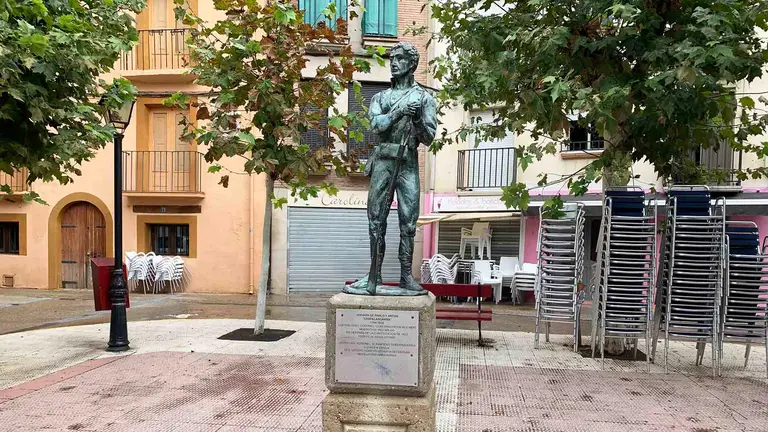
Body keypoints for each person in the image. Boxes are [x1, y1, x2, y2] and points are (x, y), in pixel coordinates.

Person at [344, 42, 437, 296]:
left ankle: (406, 276)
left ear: (412, 64)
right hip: (384, 162)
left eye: (399, 59)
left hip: (407, 162)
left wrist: (416, 118)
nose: (393, 63)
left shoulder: (425, 98)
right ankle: (374, 273)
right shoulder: (380, 98)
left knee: (408, 222)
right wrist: (398, 113)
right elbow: (376, 126)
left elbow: (428, 137)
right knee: (376, 220)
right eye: (391, 59)